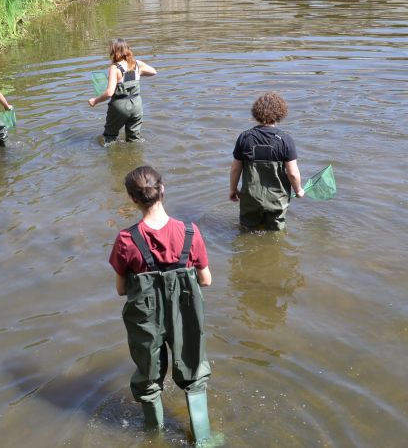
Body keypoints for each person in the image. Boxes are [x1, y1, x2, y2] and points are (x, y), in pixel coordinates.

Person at [109, 166, 213, 443]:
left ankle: (153, 437)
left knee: (149, 375)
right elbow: (206, 280)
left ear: (133, 199)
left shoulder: (126, 239)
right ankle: (203, 439)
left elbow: (121, 290)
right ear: (162, 190)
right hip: (185, 312)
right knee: (193, 370)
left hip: (146, 316)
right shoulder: (190, 232)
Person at [230, 92, 304, 231]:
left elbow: (235, 169)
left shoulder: (244, 138)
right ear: (280, 114)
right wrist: (298, 190)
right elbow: (292, 173)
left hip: (250, 199)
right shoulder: (286, 140)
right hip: (277, 200)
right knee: (275, 235)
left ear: (256, 113)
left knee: (246, 232)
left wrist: (233, 190)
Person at [88, 39, 156, 143]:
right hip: (137, 105)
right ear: (128, 50)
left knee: (109, 138)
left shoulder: (114, 68)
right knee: (134, 139)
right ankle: (134, 157)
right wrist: (138, 73)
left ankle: (111, 157)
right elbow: (153, 72)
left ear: (114, 52)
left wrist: (95, 101)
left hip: (120, 106)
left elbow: (109, 93)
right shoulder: (137, 64)